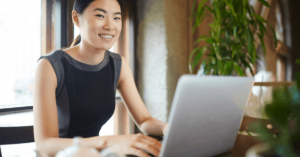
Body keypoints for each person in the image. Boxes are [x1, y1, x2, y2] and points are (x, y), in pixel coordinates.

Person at [33, 0, 168, 157]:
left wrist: (167, 128)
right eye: (100, 15)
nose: (110, 26)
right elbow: (45, 144)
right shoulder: (50, 65)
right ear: (76, 18)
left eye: (117, 18)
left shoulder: (118, 64)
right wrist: (109, 142)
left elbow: (145, 120)